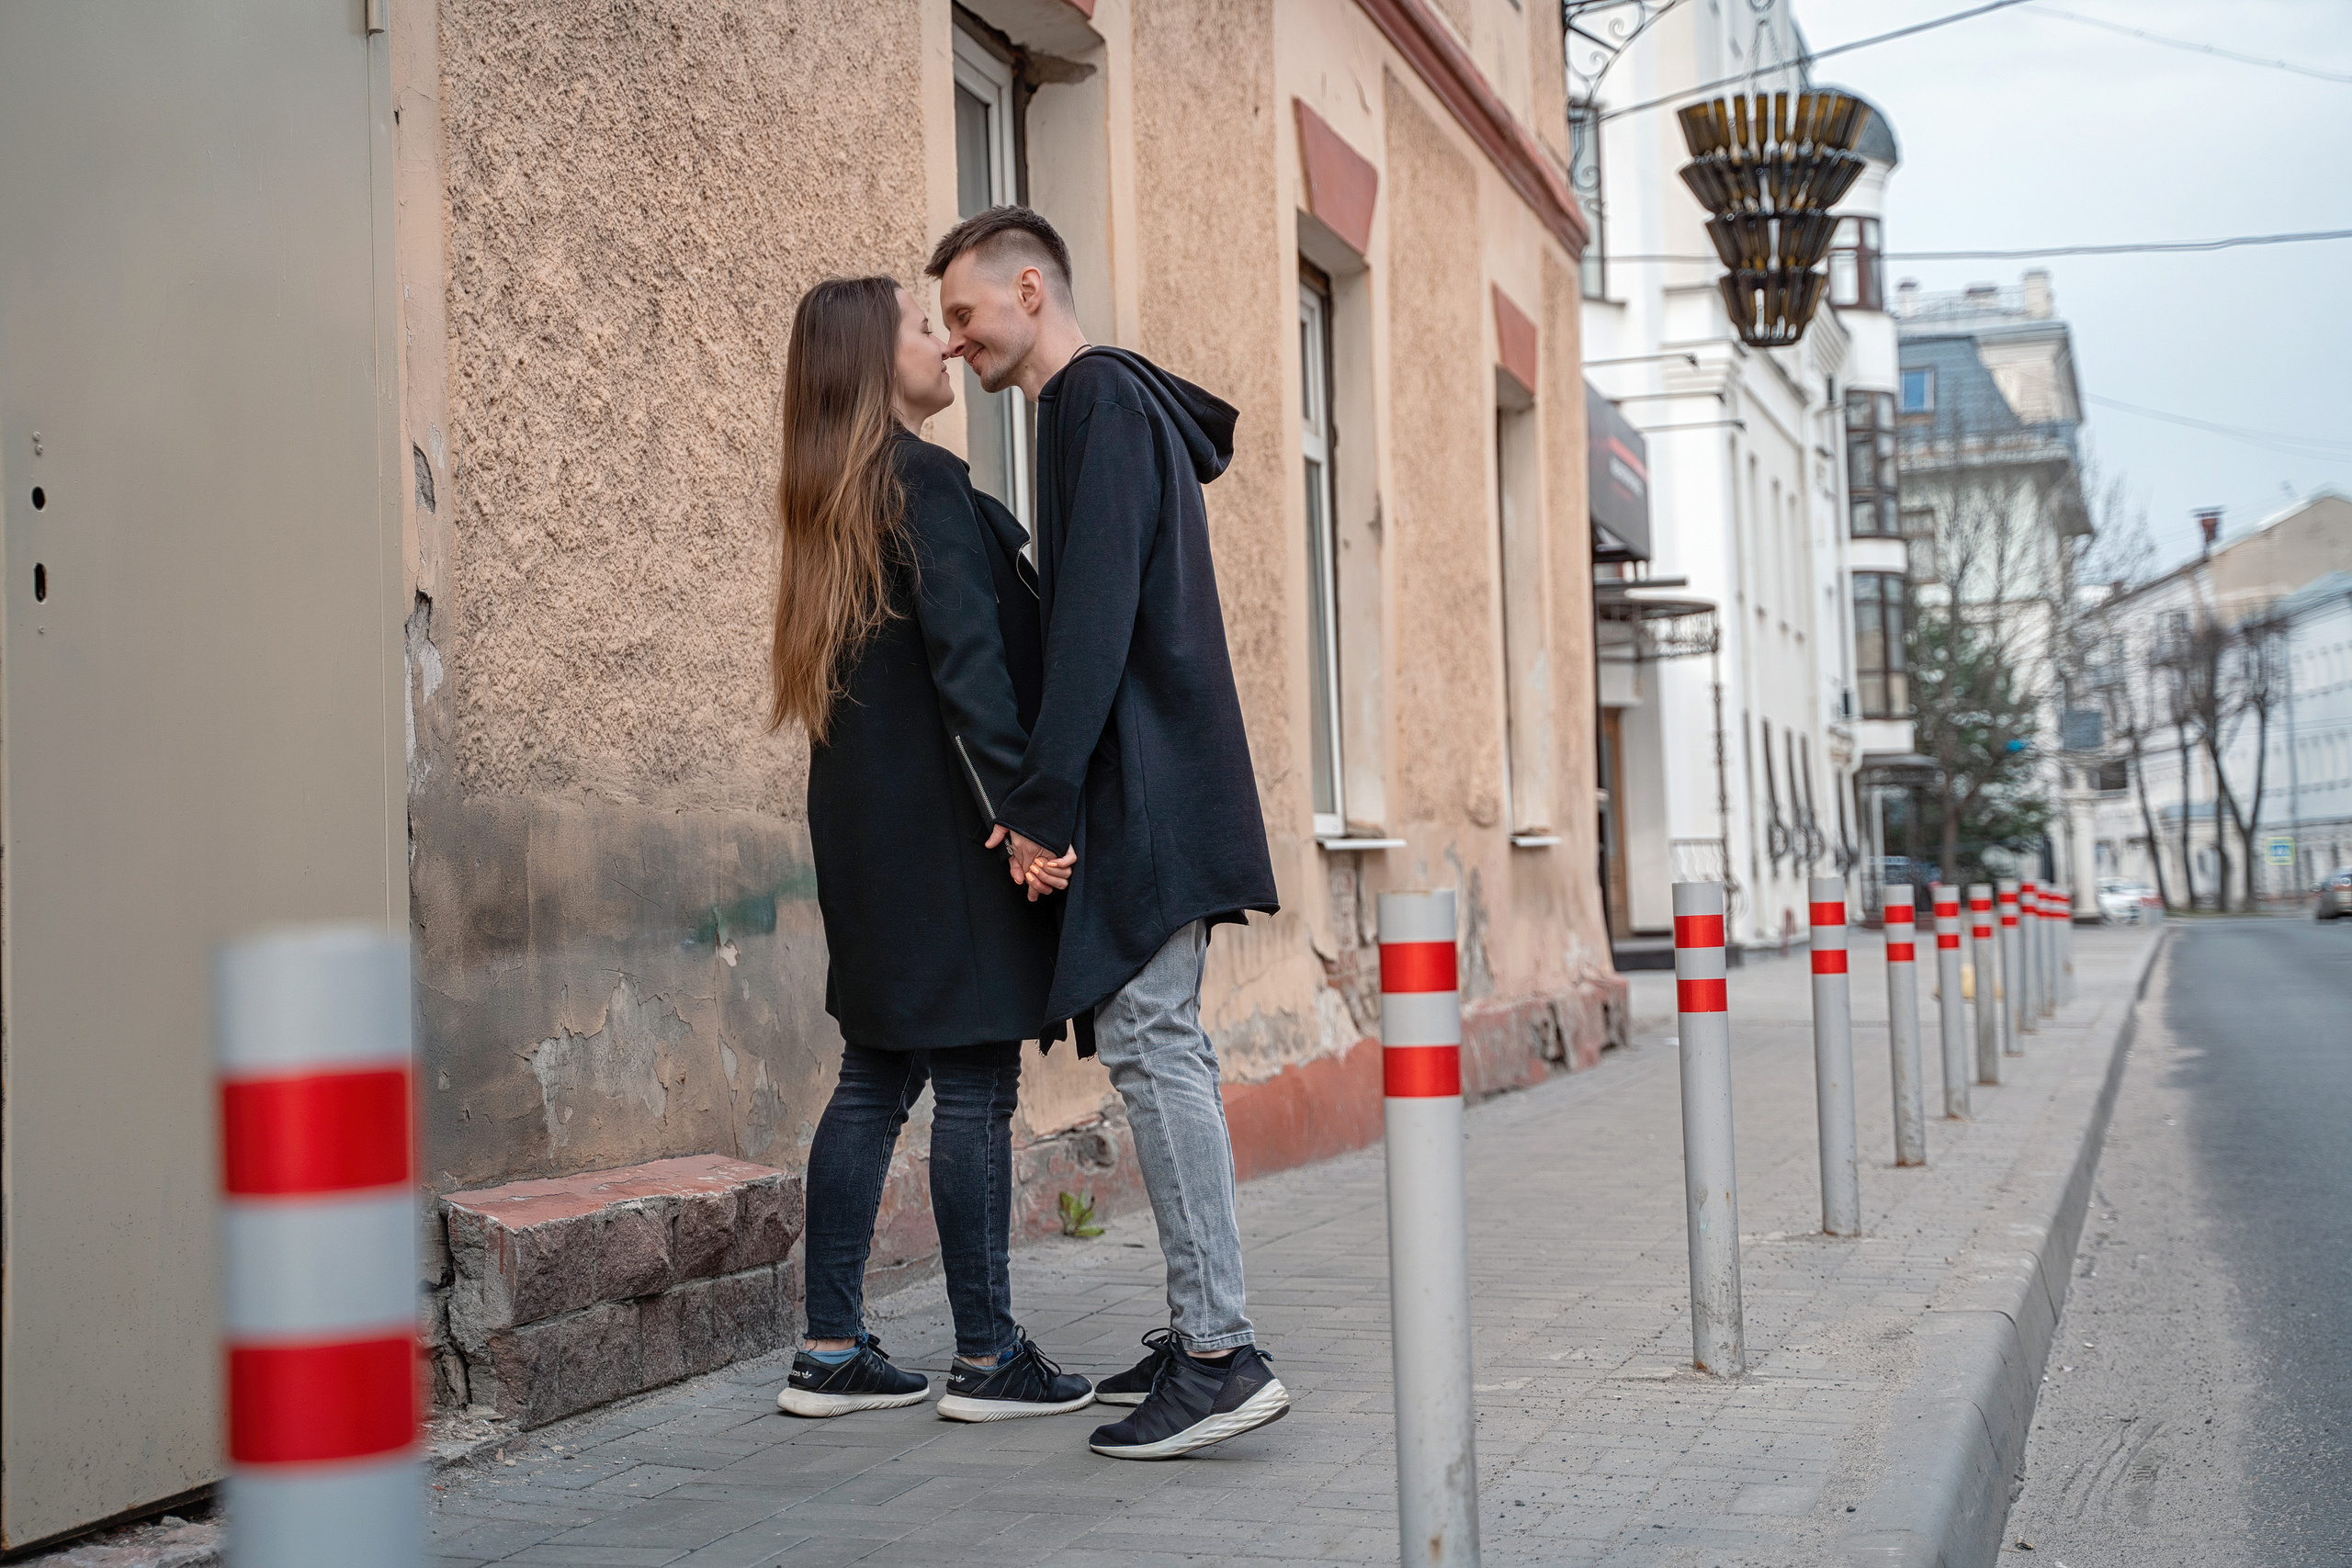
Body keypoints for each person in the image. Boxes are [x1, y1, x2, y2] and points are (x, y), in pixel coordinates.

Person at [926, 209, 1290, 1460]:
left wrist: (1038, 801)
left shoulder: (1095, 401)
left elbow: (1093, 619)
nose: (955, 342)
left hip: (1149, 788)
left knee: (1154, 1045)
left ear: (1030, 288)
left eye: (966, 315)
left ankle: (1219, 1351)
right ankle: (1205, 1325)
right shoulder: (1094, 408)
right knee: (1160, 1043)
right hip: (1153, 780)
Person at [766, 275, 1093, 1424]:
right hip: (951, 838)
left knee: (874, 1072)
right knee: (972, 1078)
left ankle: (828, 1347)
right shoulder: (925, 482)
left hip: (865, 836)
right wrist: (1028, 818)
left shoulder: (830, 499)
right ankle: (987, 1356)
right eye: (923, 329)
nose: (945, 347)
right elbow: (972, 669)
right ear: (871, 362)